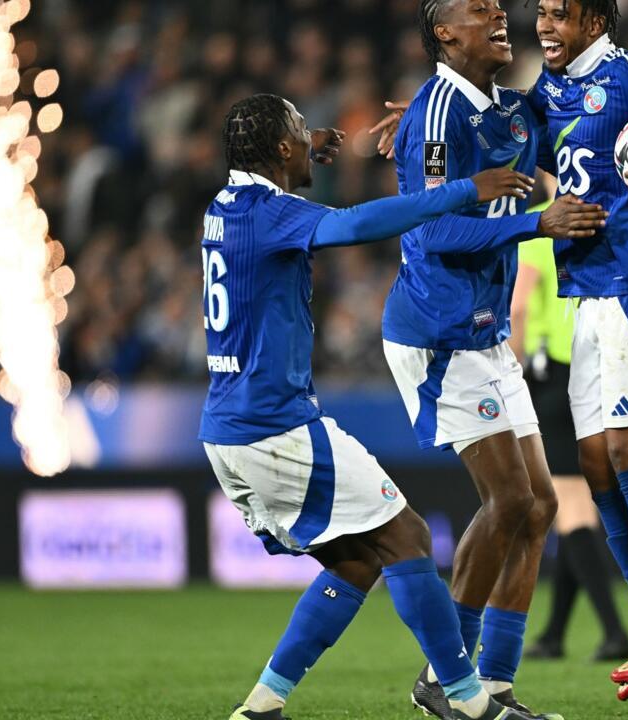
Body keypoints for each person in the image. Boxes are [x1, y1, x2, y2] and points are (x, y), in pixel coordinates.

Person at [374, 0, 628, 701]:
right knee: (593, 469)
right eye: (540, 12)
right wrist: (431, 126)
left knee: (625, 457)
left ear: (597, 21)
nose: (544, 25)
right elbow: (493, 137)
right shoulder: (539, 98)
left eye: (561, 14)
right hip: (588, 295)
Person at [202, 92, 551, 720]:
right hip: (274, 427)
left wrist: (303, 151)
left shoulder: (225, 207)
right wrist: (462, 190)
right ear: (281, 149)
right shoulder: (271, 211)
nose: (312, 137)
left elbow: (285, 200)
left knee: (357, 560)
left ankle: (261, 707)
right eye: (300, 131)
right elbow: (354, 225)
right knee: (408, 537)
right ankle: (466, 699)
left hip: (228, 432)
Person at [383, 2, 608, 718]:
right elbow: (434, 226)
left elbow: (576, 148)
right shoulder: (439, 112)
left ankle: (499, 687)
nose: (499, 15)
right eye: (479, 11)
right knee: (509, 500)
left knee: (540, 506)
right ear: (445, 34)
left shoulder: (509, 110)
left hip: (484, 334)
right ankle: (446, 680)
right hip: (438, 332)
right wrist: (536, 223)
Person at [509, 177, 628, 664]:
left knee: (572, 509)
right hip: (596, 373)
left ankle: (615, 632)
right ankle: (556, 634)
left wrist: (512, 373)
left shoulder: (544, 221)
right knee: (571, 506)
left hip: (552, 378)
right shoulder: (603, 217)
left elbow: (520, 305)